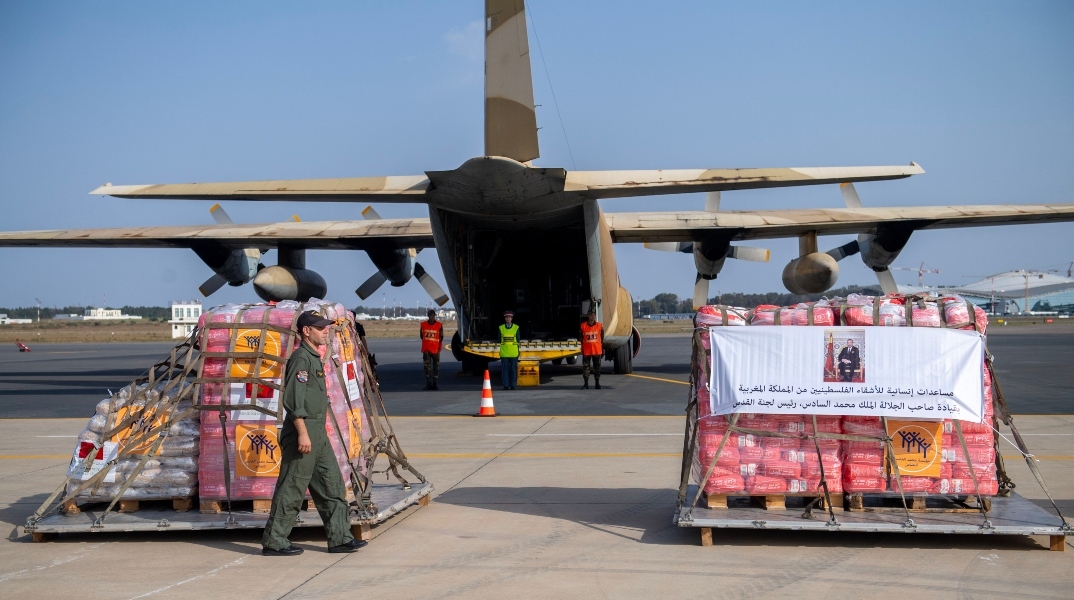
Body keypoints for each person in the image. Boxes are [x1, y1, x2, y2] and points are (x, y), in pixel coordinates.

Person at [262, 310, 366, 556]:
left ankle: (340, 537)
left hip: (317, 431)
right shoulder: (301, 359)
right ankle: (274, 541)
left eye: (326, 327)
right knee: (292, 487)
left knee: (332, 484)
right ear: (306, 331)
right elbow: (293, 401)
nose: (325, 331)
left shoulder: (314, 357)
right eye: (320, 328)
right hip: (304, 431)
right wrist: (303, 433)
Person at [579, 308, 604, 390]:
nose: (592, 317)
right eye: (591, 315)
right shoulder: (583, 326)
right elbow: (581, 338)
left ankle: (597, 384)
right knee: (586, 368)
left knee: (597, 368)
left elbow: (602, 337)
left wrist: (601, 347)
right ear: (588, 316)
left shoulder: (599, 326)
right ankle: (586, 384)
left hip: (596, 350)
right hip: (587, 351)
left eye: (593, 315)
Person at [420, 309, 443, 390]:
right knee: (427, 368)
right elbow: (421, 336)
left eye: (433, 315)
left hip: (435, 350)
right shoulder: (423, 324)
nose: (432, 317)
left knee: (436, 367)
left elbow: (441, 337)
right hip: (426, 350)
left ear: (435, 316)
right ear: (428, 316)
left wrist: (439, 348)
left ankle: (435, 384)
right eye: (430, 315)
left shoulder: (439, 325)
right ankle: (428, 383)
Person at [499, 311, 520, 390]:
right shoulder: (501, 328)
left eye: (509, 317)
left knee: (513, 369)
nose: (508, 318)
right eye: (506, 317)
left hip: (513, 353)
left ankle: (513, 385)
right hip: (504, 353)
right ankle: (506, 385)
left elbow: (518, 339)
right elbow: (499, 339)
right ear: (505, 318)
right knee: (505, 370)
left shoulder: (516, 327)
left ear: (512, 318)